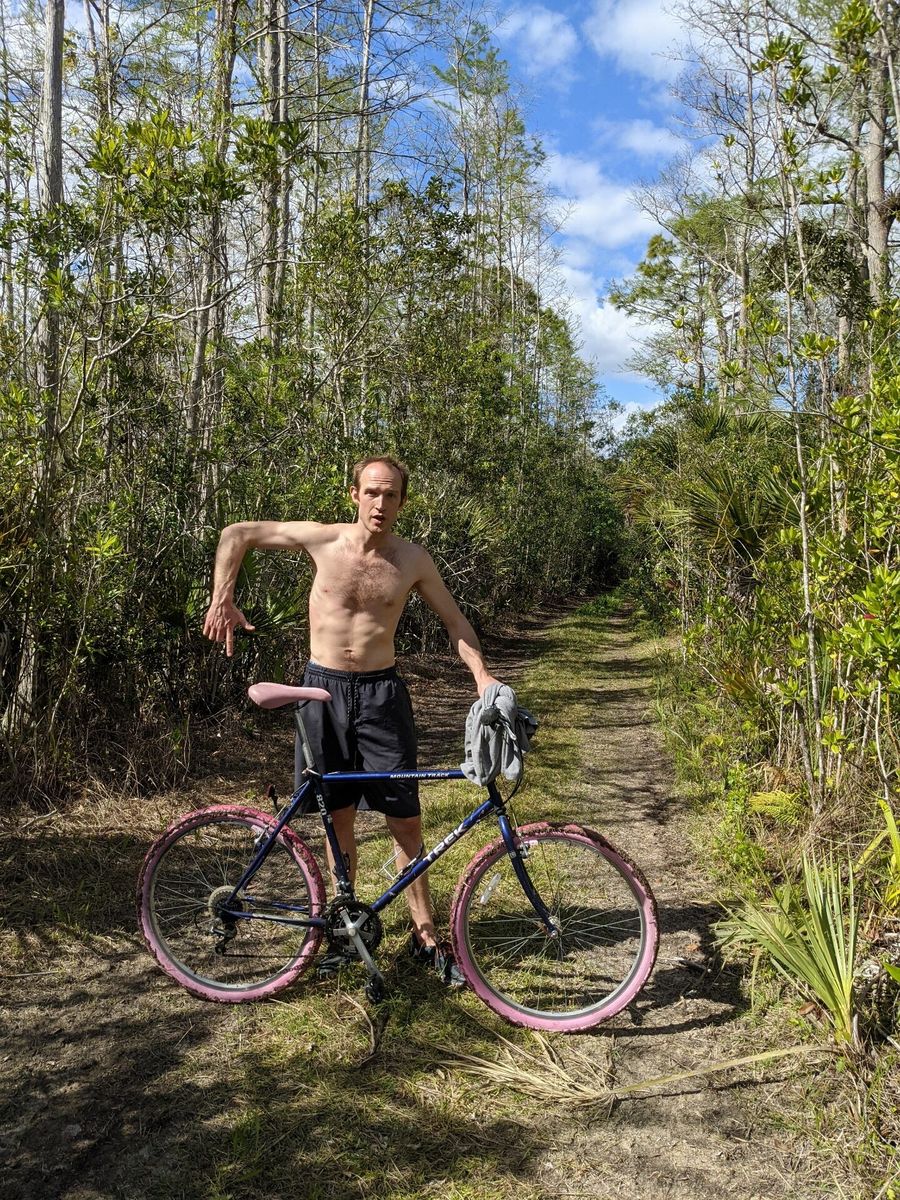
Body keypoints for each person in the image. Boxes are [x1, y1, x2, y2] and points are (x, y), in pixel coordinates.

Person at [202, 454, 500, 984]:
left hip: (382, 694)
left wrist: (481, 675)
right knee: (337, 816)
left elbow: (456, 623)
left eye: (391, 495)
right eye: (372, 492)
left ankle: (425, 934)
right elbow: (237, 533)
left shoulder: (413, 560)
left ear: (402, 502)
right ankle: (346, 929)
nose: (380, 503)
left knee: (405, 820)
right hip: (323, 692)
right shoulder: (323, 540)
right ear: (355, 495)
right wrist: (222, 597)